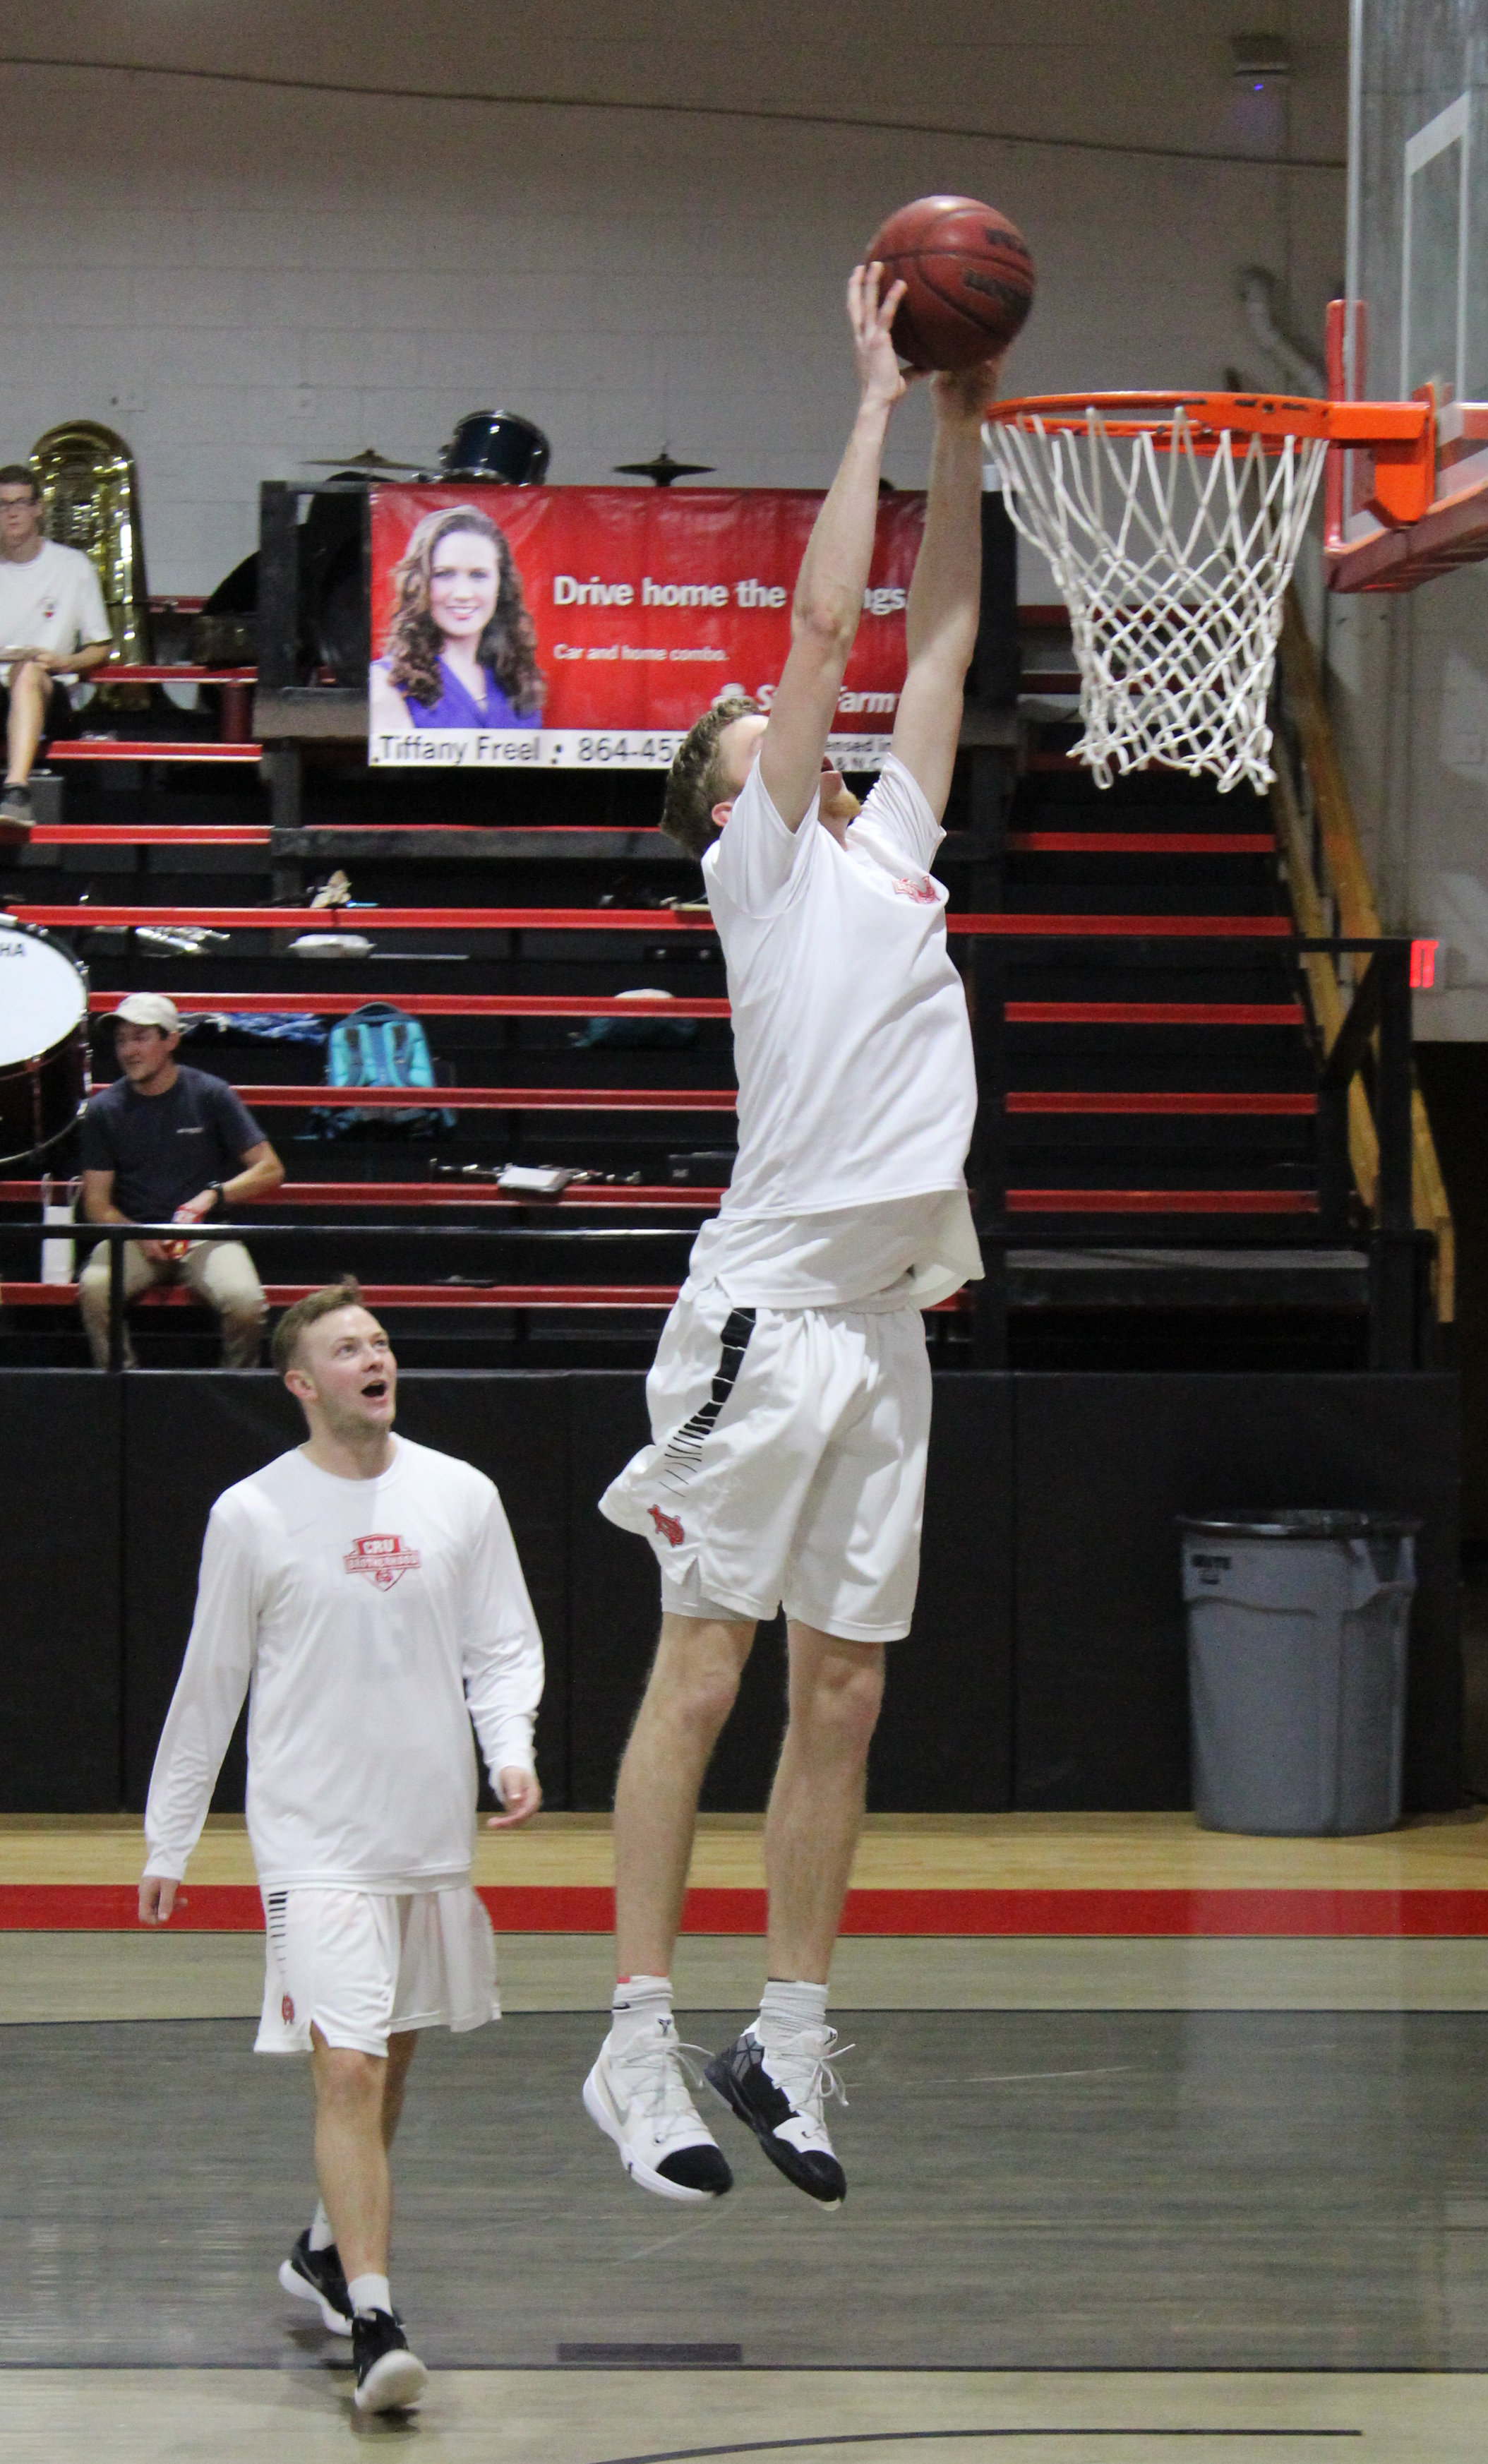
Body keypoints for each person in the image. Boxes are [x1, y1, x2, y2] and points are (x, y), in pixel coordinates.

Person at [587, 263, 992, 2211]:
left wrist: (971, 415)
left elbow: (946, 630)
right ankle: (635, 2039)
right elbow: (833, 617)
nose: (781, 714)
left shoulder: (888, 849)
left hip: (883, 1326)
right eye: (747, 721)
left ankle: (790, 2031)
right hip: (761, 1320)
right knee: (701, 1674)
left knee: (844, 1693)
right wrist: (868, 392)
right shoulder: (762, 861)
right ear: (723, 791)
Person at [137, 1279, 544, 2413]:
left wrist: (507, 1746)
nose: (375, 1355)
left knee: (391, 2062)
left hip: (425, 1833)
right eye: (346, 1345)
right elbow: (208, 1685)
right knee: (348, 2066)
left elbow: (502, 1645)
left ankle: (324, 2246)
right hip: (310, 1838)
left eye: (380, 1339)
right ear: (301, 1383)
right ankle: (374, 2315)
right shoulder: (253, 1514)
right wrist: (171, 1837)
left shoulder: (461, 1494)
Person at [78, 993, 284, 1368]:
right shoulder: (104, 1110)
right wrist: (138, 1233)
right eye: (121, 1040)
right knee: (94, 1289)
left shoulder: (210, 1093)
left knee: (245, 1303)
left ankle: (234, 1400)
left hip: (205, 1234)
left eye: (140, 1038)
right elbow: (96, 1203)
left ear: (171, 1039)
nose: (128, 1050)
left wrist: (212, 1196)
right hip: (135, 1235)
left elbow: (270, 1169)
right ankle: (122, 1396)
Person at [0, 462, 113, 841]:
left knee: (29, 671)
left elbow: (102, 646)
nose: (12, 512)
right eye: (2, 505)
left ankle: (17, 792)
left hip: (52, 689)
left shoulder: (72, 566)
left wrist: (65, 661)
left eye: (20, 503)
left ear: (38, 508)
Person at [368, 504, 544, 734]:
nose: (462, 593)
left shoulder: (519, 681)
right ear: (419, 583)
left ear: (500, 585)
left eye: (478, 575)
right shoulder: (387, 684)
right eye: (444, 575)